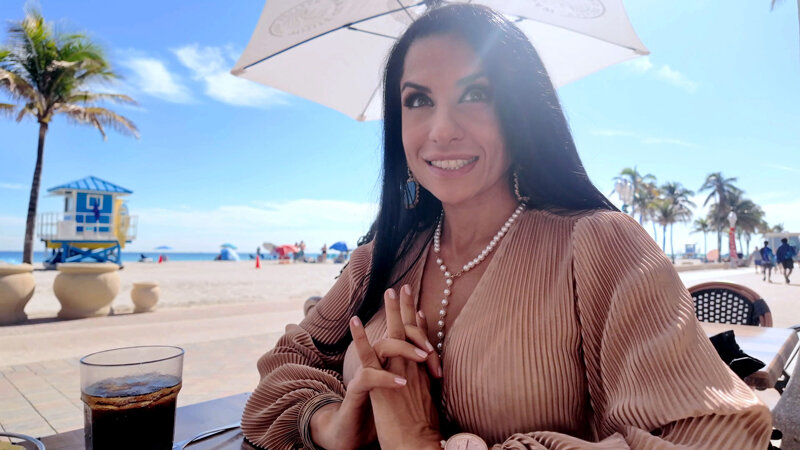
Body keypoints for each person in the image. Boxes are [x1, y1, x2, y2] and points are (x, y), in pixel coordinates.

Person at [240, 5, 771, 449]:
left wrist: (420, 440)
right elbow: (280, 371)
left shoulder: (599, 244)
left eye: (476, 94)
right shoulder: (379, 260)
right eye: (418, 100)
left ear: (522, 113)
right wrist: (330, 424)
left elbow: (715, 434)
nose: (441, 130)